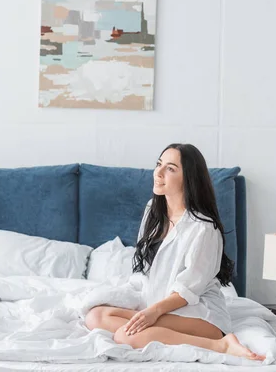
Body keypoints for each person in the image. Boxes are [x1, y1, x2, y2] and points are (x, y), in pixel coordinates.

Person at [84, 143, 265, 361]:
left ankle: (221, 345)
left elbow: (188, 289)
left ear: (188, 178)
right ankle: (154, 329)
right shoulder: (153, 210)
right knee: (95, 316)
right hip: (160, 304)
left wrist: (153, 312)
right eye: (159, 164)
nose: (158, 173)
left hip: (199, 313)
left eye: (170, 169)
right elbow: (146, 270)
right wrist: (142, 307)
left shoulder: (203, 228)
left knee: (126, 336)